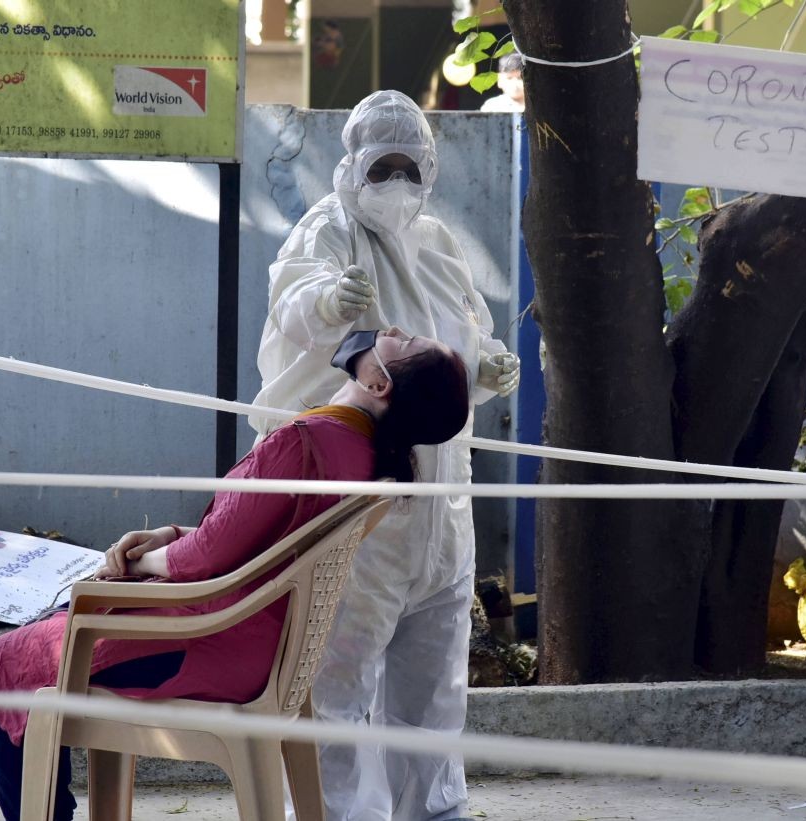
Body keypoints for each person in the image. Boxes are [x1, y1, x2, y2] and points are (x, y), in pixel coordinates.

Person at [0, 329, 470, 821]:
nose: (393, 329)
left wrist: (135, 564)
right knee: (46, 627)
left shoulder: (309, 440)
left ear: (380, 385)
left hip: (207, 640)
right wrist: (171, 534)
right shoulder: (363, 451)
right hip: (260, 644)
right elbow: (262, 539)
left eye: (401, 343)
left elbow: (204, 560)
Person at [250, 89, 519, 821]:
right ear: (354, 164)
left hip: (443, 503)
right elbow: (292, 307)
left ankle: (434, 809)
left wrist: (487, 368)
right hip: (361, 508)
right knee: (337, 677)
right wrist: (331, 303)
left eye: (410, 168)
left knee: (435, 683)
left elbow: (459, 339)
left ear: (429, 168)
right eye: (382, 167)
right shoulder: (327, 231)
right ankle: (339, 813)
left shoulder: (439, 245)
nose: (397, 184)